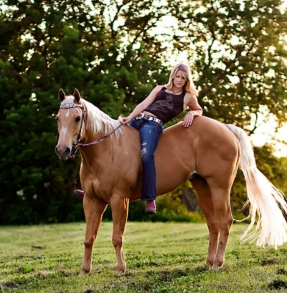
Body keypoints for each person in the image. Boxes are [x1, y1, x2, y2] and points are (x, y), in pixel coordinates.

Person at [74, 62, 203, 214]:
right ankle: (92, 190)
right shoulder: (160, 89)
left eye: (182, 77)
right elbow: (143, 105)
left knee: (147, 156)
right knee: (109, 143)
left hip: (153, 126)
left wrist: (191, 113)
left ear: (187, 80)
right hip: (138, 120)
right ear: (173, 76)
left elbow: (198, 109)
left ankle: (150, 198)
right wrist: (129, 118)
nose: (179, 80)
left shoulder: (188, 97)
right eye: (177, 76)